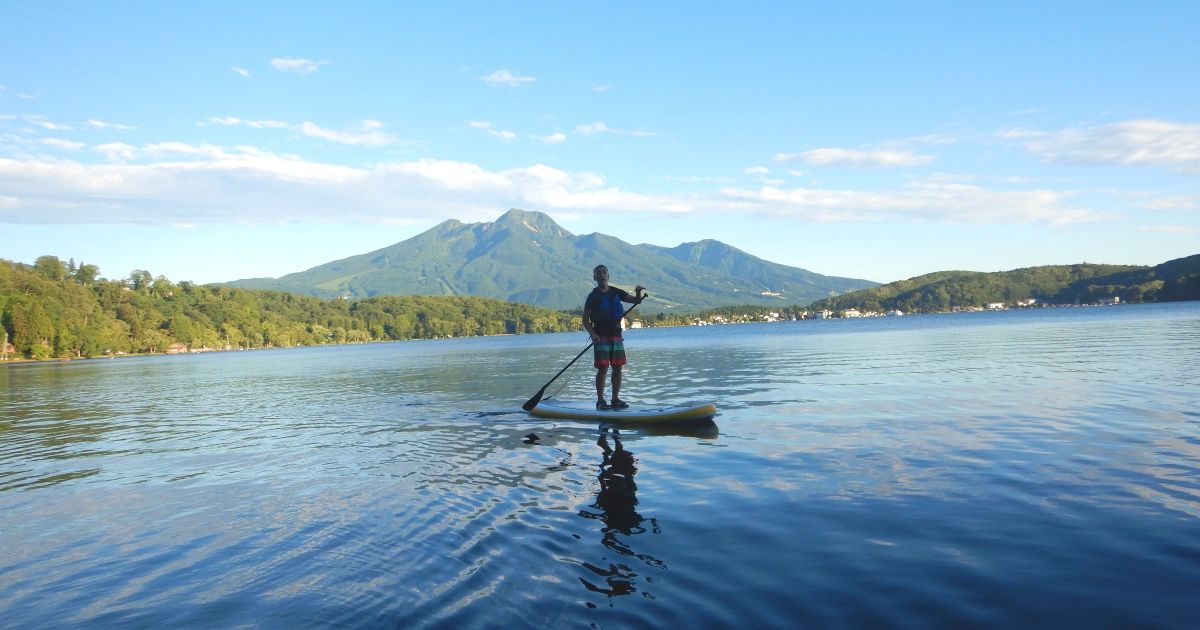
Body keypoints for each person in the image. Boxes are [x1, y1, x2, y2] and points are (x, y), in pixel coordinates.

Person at [582, 265, 645, 410]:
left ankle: (615, 399)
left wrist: (638, 292)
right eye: (599, 273)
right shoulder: (593, 296)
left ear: (608, 276)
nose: (602, 275)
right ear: (595, 277)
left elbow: (636, 301)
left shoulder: (616, 292)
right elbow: (585, 319)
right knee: (603, 368)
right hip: (600, 336)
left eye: (604, 273)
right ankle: (600, 401)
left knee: (617, 367)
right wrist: (592, 334)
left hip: (616, 335)